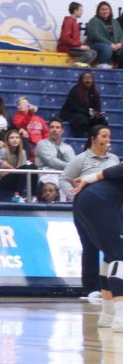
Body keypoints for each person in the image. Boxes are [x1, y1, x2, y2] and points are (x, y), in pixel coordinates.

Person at [61, 125, 118, 296]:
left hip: (109, 210)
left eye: (109, 137)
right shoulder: (82, 159)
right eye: (103, 136)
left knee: (111, 249)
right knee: (90, 246)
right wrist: (75, 198)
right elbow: (64, 178)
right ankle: (91, 289)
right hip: (87, 209)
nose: (107, 140)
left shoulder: (114, 159)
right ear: (93, 138)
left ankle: (110, 288)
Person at [67, 164, 123, 330]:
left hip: (86, 200)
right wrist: (91, 177)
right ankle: (120, 316)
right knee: (119, 254)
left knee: (110, 254)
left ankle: (107, 315)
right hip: (98, 200)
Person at [61, 71, 109, 138]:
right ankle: (80, 139)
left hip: (87, 114)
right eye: (85, 78)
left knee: (102, 120)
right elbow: (74, 108)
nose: (88, 80)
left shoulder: (94, 92)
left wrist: (97, 113)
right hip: (72, 114)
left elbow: (97, 107)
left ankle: (98, 139)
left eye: (89, 78)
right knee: (81, 120)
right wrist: (89, 113)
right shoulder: (75, 91)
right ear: (81, 80)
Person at [0, 129, 33, 201]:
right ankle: (18, 196)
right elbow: (2, 173)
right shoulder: (2, 151)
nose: (15, 140)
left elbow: (23, 172)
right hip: (2, 182)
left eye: (17, 138)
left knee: (33, 167)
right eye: (12, 138)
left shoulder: (23, 152)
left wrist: (10, 167)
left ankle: (34, 197)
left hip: (17, 181)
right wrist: (16, 170)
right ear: (7, 140)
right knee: (24, 169)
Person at [35, 119, 76, 191]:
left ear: (62, 130)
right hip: (46, 174)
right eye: (52, 127)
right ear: (48, 129)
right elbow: (52, 162)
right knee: (60, 183)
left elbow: (73, 163)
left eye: (57, 127)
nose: (54, 130)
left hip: (64, 174)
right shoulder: (42, 144)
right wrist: (70, 166)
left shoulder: (67, 147)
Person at [58, 2, 97, 67]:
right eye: (80, 10)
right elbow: (65, 38)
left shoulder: (74, 22)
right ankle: (73, 68)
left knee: (94, 52)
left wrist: (82, 45)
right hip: (66, 48)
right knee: (88, 54)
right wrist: (80, 46)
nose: (82, 12)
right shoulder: (69, 21)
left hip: (73, 47)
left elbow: (75, 39)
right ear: (75, 11)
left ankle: (82, 67)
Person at [86, 1, 123, 68]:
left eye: (107, 9)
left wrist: (120, 44)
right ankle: (103, 67)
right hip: (96, 44)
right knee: (106, 48)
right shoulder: (94, 21)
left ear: (110, 10)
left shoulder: (114, 21)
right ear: (98, 11)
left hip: (115, 45)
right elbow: (95, 35)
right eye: (103, 9)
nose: (105, 11)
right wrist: (110, 44)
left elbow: (121, 34)